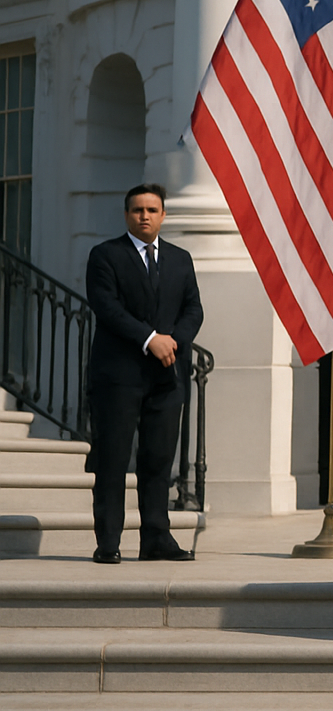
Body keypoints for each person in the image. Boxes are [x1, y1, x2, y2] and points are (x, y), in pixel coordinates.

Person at [84, 184, 203, 564]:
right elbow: (107, 307)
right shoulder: (106, 256)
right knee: (113, 459)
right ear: (126, 215)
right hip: (118, 376)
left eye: (152, 210)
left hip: (167, 377)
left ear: (164, 215)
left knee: (158, 460)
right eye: (137, 210)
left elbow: (193, 309)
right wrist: (150, 338)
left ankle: (155, 539)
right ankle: (108, 542)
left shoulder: (181, 259)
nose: (145, 216)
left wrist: (173, 343)